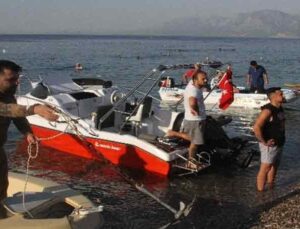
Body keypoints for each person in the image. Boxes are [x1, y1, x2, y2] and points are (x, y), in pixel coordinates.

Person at [0, 60, 59, 210]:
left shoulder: (8, 94)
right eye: (10, 80)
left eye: (17, 78)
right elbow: (8, 110)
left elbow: (17, 116)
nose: (16, 83)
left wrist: (27, 132)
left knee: (2, 186)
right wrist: (35, 109)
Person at [253, 87, 285, 192]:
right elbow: (256, 127)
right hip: (269, 144)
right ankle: (260, 194)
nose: (283, 94)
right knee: (265, 167)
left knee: (274, 166)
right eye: (280, 94)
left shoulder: (279, 108)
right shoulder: (267, 110)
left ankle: (271, 187)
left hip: (279, 142)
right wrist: (263, 142)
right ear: (273, 97)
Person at [182, 70, 207, 169]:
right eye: (203, 79)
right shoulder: (194, 91)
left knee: (194, 140)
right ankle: (191, 162)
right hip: (196, 120)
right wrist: (194, 109)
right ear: (195, 80)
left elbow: (196, 74)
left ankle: (192, 159)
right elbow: (192, 102)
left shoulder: (192, 84)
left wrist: (198, 68)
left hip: (194, 119)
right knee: (195, 143)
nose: (206, 80)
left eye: (206, 78)